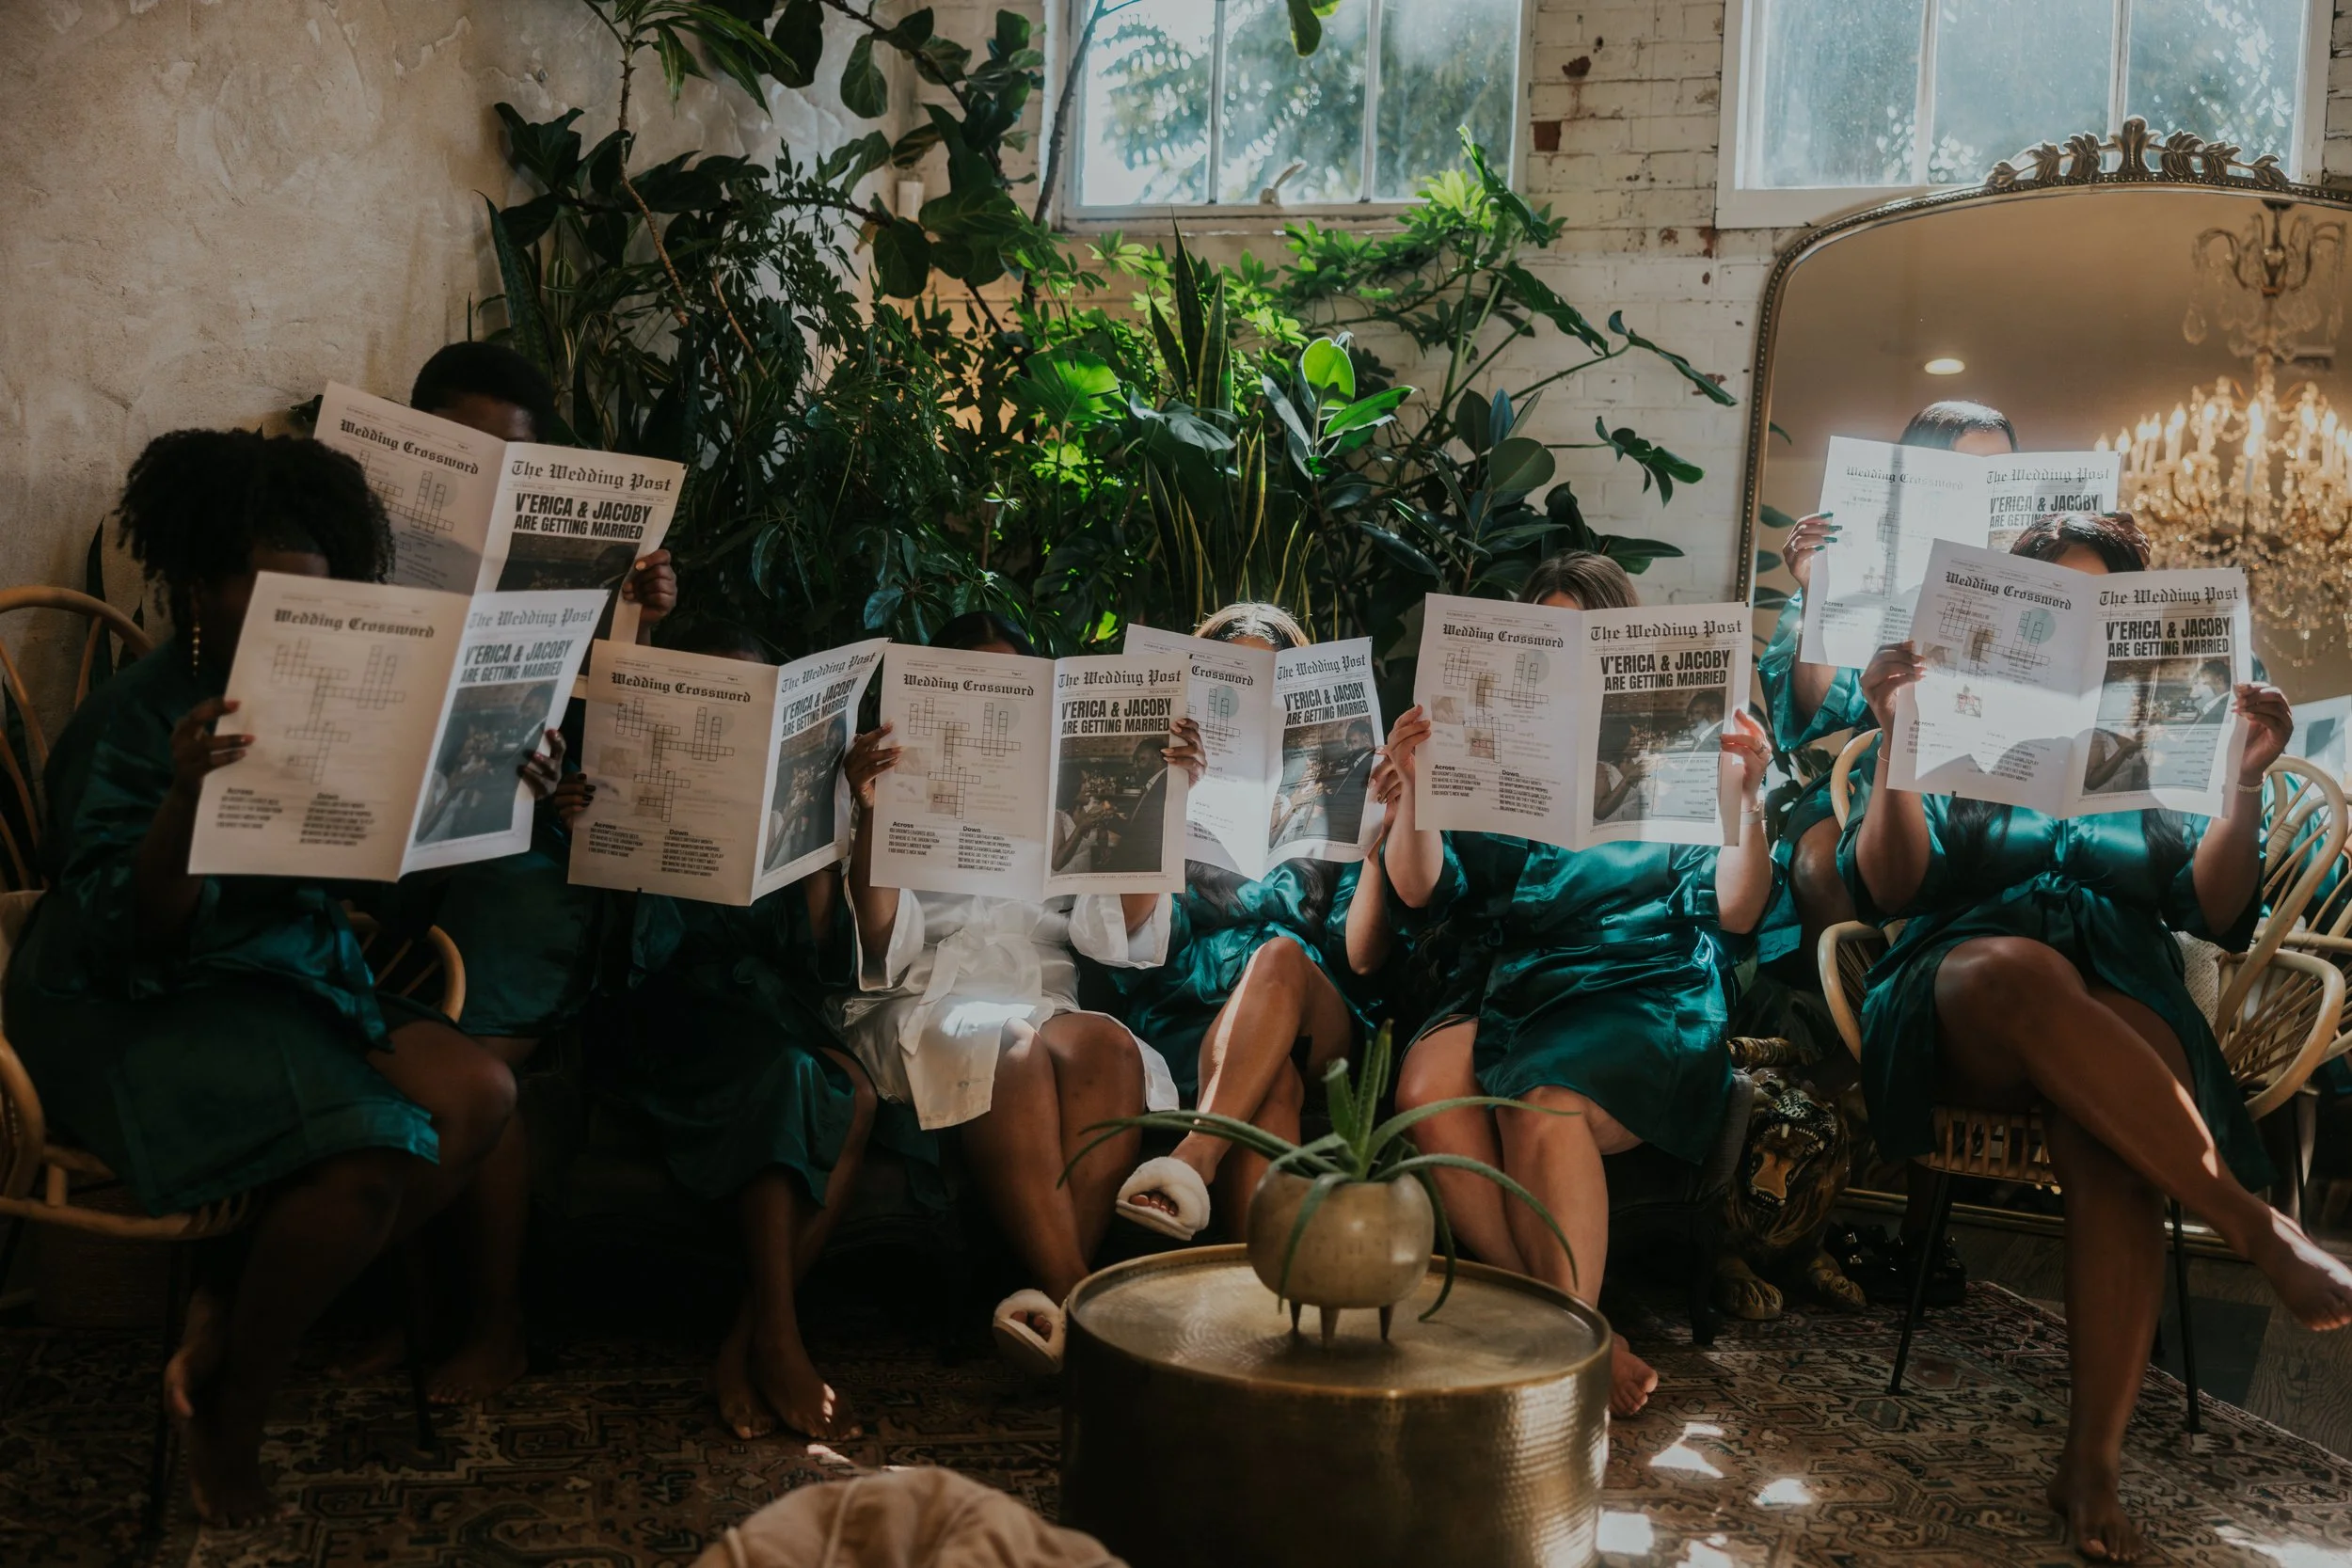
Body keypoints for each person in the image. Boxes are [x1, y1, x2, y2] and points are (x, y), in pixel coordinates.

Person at [0, 430, 525, 1526]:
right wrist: (186, 800)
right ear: (200, 582)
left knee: (482, 1093)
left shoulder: (327, 701)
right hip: (130, 997)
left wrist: (493, 778)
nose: (304, 632)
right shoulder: (133, 718)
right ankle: (232, 1415)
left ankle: (224, 1305)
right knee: (367, 1163)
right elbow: (124, 936)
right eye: (276, 603)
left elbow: (371, 873)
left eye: (320, 606)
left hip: (281, 967)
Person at [1844, 510, 2352, 1562]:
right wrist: (1895, 729)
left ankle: (2092, 1461)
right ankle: (2255, 1226)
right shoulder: (1948, 700)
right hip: (1965, 977)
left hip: (2119, 969)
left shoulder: (2171, 714)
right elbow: (1891, 882)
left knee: (2118, 1140)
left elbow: (2212, 910)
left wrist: (2245, 774)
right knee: (2020, 970)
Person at [1380, 551, 1776, 1418]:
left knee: (1545, 1101)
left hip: (1643, 982)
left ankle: (1557, 1363)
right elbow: (1420, 889)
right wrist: (1412, 790)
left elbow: (1738, 910)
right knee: (1426, 1093)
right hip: (1513, 977)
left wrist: (1747, 799)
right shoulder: (1493, 743)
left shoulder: (1677, 744)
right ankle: (1581, 1329)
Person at [377, 341, 677, 1403]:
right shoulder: (365, 552)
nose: (494, 479)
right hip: (376, 844)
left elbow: (628, 756)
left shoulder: (596, 587)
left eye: (515, 460)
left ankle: (492, 1321)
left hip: (519, 851)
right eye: (468, 452)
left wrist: (642, 621)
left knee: (467, 1050)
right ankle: (404, 1292)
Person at [836, 610, 1195, 1372]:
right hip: (927, 993)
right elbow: (877, 938)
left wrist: (1155, 804)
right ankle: (1092, 1313)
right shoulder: (887, 779)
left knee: (1106, 1042)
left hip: (1043, 991)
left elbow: (1114, 936)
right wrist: (871, 814)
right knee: (1008, 1045)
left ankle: (1056, 1309)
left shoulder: (1064, 788)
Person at [575, 621, 881, 1441]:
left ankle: (745, 1340)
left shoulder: (796, 793)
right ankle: (781, 1339)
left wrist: (827, 833)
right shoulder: (637, 772)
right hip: (667, 1006)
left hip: (765, 1005)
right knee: (786, 1076)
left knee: (855, 1093)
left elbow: (814, 953)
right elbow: (622, 945)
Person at [1763, 399, 2018, 1302]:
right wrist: (1816, 588)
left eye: (1997, 477)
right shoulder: (1862, 561)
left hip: (1987, 788)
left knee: (1961, 906)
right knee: (1824, 865)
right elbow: (1808, 709)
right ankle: (1881, 1038)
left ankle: (1923, 1216)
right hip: (1862, 777)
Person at [1096, 603, 1375, 1241]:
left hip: (1312, 1008)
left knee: (1278, 954)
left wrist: (1378, 832)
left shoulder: (1333, 783)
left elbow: (1359, 953)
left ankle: (1190, 1158)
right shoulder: (1165, 780)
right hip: (1188, 1012)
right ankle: (1260, 1303)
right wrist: (1169, 799)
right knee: (1269, 1085)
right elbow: (1129, 931)